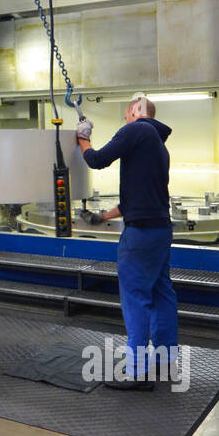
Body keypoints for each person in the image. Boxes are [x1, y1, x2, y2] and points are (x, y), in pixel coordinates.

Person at [75, 94, 177, 390]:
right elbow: (137, 198)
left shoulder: (136, 129)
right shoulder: (158, 144)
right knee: (161, 293)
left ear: (135, 111)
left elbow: (97, 160)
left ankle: (137, 372)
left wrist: (83, 137)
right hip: (160, 229)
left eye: (127, 110)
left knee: (135, 299)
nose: (124, 115)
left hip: (141, 235)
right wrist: (103, 216)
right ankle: (164, 362)